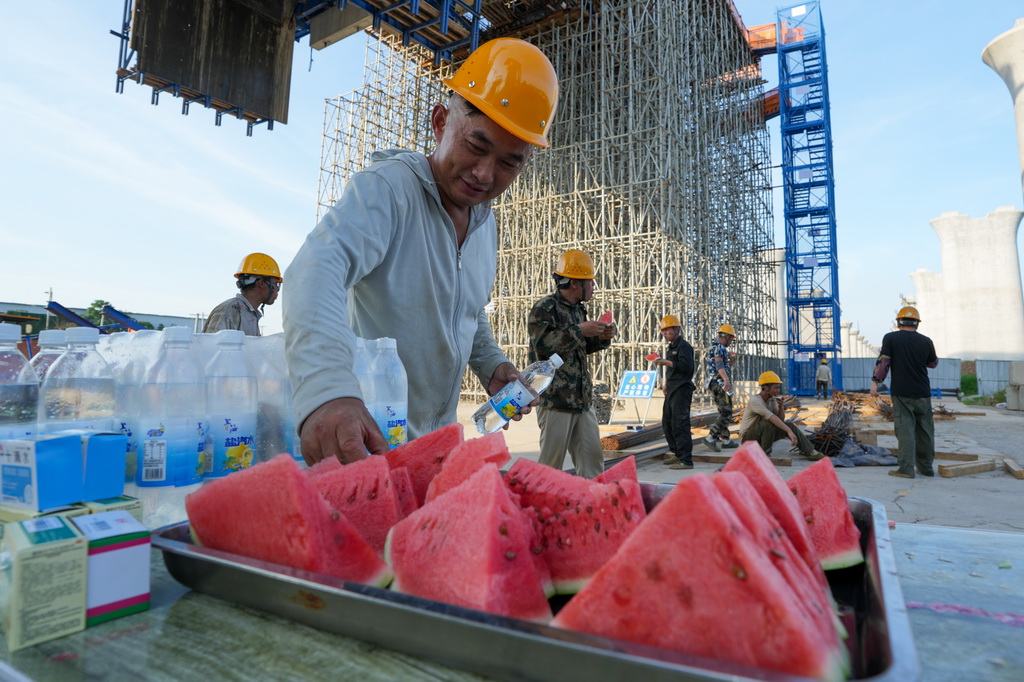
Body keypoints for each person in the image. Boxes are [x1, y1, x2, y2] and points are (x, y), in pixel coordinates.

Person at [282, 38, 559, 465]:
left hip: (437, 450)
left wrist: (491, 365)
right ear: (440, 121)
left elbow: (467, 309)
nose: (484, 175)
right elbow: (317, 269)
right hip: (367, 445)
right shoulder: (390, 189)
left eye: (509, 163)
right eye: (477, 146)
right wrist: (327, 391)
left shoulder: (485, 223)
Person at [527, 249, 615, 479]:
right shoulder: (545, 308)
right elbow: (543, 346)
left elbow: (578, 349)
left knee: (593, 465)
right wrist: (579, 330)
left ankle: (594, 508)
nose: (593, 287)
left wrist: (601, 339)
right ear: (575, 283)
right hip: (556, 400)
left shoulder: (578, 310)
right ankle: (541, 510)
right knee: (550, 467)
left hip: (582, 401)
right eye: (590, 282)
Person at [871, 306, 939, 479]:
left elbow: (884, 362)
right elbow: (932, 363)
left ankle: (906, 469)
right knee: (925, 431)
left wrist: (875, 384)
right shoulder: (926, 341)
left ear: (899, 322)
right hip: (923, 391)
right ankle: (926, 468)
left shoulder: (891, 338)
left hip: (902, 392)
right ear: (917, 323)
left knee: (905, 430)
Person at [740, 371, 825, 460]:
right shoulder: (755, 400)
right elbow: (771, 418)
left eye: (779, 388)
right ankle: (764, 454)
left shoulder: (771, 400)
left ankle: (811, 452)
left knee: (789, 424)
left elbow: (780, 420)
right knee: (769, 423)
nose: (778, 391)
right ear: (766, 387)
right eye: (776, 388)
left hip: (760, 436)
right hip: (748, 439)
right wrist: (789, 432)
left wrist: (781, 406)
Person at [203, 253, 283, 337]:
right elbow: (213, 348)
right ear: (262, 283)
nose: (277, 289)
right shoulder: (229, 311)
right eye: (275, 284)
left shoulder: (249, 314)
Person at [653, 315, 695, 470]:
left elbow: (686, 367)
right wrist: (666, 383)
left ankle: (686, 460)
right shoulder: (672, 347)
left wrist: (665, 362)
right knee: (668, 422)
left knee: (680, 424)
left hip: (682, 389)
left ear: (676, 329)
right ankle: (677, 453)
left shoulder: (684, 346)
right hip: (672, 388)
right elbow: (673, 369)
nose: (664, 333)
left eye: (667, 330)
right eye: (662, 331)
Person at [703, 323, 738, 451]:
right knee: (727, 412)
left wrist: (729, 363)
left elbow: (719, 365)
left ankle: (726, 440)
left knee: (723, 411)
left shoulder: (713, 347)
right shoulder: (721, 348)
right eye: (731, 339)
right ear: (727, 337)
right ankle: (710, 438)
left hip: (714, 382)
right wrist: (726, 380)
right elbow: (719, 365)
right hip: (720, 383)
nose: (731, 342)